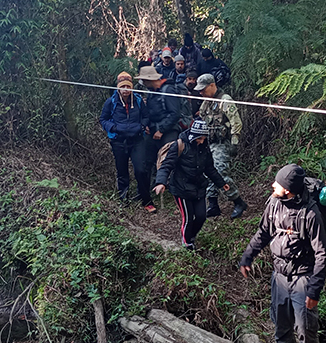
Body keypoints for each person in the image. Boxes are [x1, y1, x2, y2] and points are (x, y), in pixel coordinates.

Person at [239, 164, 326, 343]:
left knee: (305, 331)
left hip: (303, 278)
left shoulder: (310, 213)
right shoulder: (273, 203)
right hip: (279, 276)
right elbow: (263, 232)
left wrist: (314, 291)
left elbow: (322, 254)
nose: (273, 185)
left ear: (288, 189)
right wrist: (248, 256)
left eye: (277, 183)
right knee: (281, 328)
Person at [154, 120, 230, 250]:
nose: (201, 141)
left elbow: (209, 168)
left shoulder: (205, 147)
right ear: (193, 136)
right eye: (199, 138)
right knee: (188, 218)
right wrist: (161, 182)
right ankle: (187, 244)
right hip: (181, 188)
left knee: (201, 216)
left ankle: (191, 236)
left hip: (198, 187)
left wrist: (221, 183)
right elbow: (167, 165)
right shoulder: (179, 146)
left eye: (204, 138)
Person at [99, 72, 156, 212]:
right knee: (122, 171)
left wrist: (142, 126)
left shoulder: (138, 100)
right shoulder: (111, 102)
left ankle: (146, 200)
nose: (125, 89)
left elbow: (146, 116)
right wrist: (113, 128)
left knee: (141, 170)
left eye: (128, 86)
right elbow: (103, 119)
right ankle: (124, 200)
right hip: (119, 141)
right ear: (118, 87)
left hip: (137, 140)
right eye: (123, 86)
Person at [196, 73, 247, 219]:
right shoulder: (206, 102)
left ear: (212, 85)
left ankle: (238, 201)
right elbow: (202, 119)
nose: (201, 93)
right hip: (209, 143)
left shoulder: (225, 100)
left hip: (223, 143)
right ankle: (213, 204)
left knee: (219, 172)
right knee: (207, 172)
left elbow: (236, 123)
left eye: (203, 89)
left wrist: (235, 143)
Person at [137, 65, 191, 152]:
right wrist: (147, 124)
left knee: (168, 155)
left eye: (144, 81)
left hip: (169, 130)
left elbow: (175, 113)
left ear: (149, 80)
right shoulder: (151, 92)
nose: (144, 84)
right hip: (153, 129)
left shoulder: (168, 90)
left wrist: (161, 130)